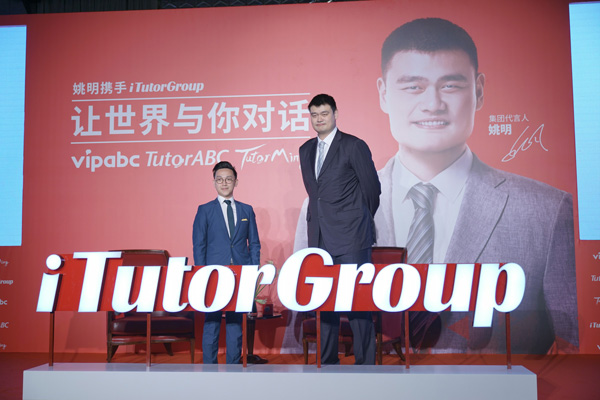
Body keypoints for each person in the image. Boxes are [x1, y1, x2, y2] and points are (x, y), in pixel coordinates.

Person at [373, 17, 578, 353]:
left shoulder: (546, 210)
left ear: (478, 91)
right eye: (413, 87)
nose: (433, 104)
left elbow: (575, 348)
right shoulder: (334, 206)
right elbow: (301, 342)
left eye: (450, 86)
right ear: (383, 94)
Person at [298, 93, 381, 364]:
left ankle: (366, 365)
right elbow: (316, 194)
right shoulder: (305, 150)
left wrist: (357, 221)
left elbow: (372, 190)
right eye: (314, 115)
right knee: (325, 303)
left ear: (335, 114)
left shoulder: (354, 146)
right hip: (319, 238)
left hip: (352, 238)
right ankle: (327, 363)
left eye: (324, 113)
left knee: (357, 302)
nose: (319, 119)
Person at [192, 161, 261, 363]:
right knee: (211, 321)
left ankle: (233, 365)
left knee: (235, 322)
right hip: (213, 274)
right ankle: (209, 367)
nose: (224, 183)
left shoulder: (246, 210)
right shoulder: (204, 210)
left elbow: (254, 243)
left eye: (228, 179)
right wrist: (202, 274)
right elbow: (199, 245)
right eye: (219, 179)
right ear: (214, 182)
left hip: (239, 273)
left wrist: (252, 271)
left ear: (236, 182)